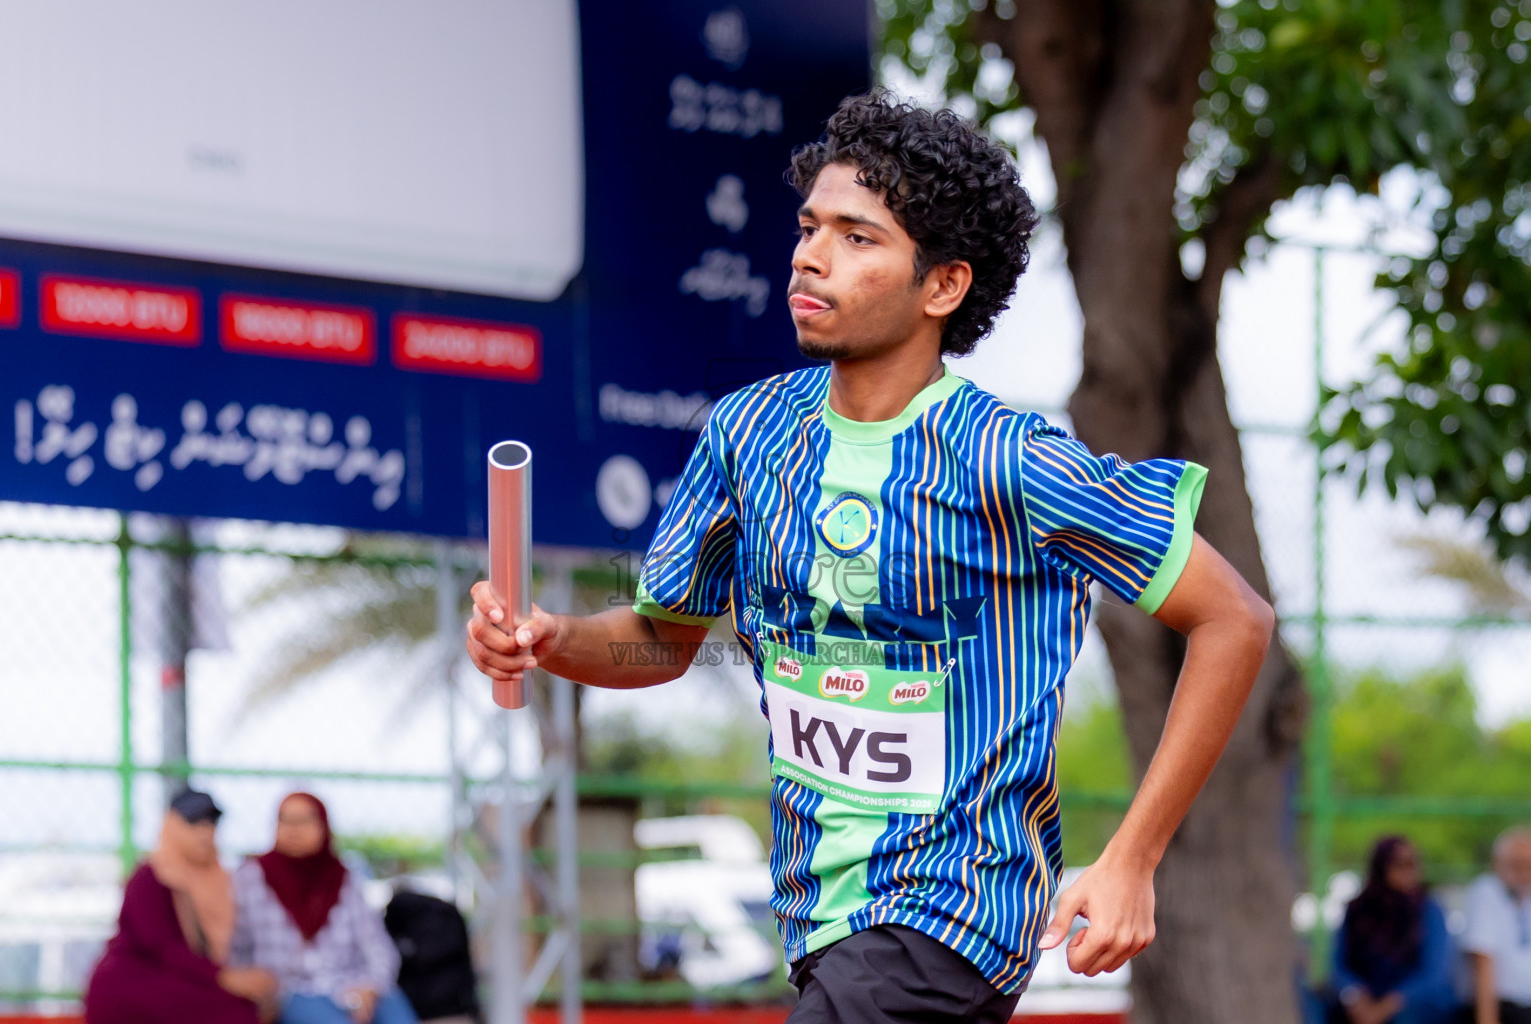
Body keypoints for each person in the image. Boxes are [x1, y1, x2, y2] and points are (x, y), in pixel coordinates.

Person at [466, 91, 1274, 1023]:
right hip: (819, 918)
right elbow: (662, 640)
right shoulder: (748, 433)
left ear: (943, 286)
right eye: (810, 227)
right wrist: (550, 637)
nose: (811, 255)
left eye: (858, 237)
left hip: (956, 910)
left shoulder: (1011, 458)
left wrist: (1133, 857)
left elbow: (1234, 617)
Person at [85, 787, 278, 1024]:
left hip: (183, 980)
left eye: (211, 824)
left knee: (249, 1007)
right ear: (172, 826)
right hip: (135, 982)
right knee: (236, 1015)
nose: (204, 832)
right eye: (193, 823)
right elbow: (162, 947)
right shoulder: (151, 877)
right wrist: (225, 978)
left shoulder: (219, 878)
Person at [230, 792, 418, 1024]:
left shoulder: (345, 879)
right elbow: (236, 949)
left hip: (352, 984)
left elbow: (378, 947)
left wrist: (370, 987)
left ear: (323, 826)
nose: (293, 829)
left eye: (303, 820)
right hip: (292, 990)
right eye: (285, 820)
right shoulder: (252, 877)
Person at [1329, 836, 1456, 1024]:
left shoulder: (1428, 910)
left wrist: (1387, 1006)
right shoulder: (1358, 910)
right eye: (1400, 864)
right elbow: (1338, 966)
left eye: (1414, 862)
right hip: (1365, 1000)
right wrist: (1355, 995)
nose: (1409, 870)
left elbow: (1433, 975)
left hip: (1415, 1004)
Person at [1462, 826, 1531, 1024]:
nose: (1524, 872)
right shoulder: (1486, 891)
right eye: (1517, 864)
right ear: (1496, 864)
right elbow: (1482, 965)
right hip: (1506, 1008)